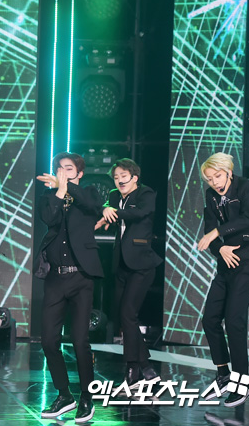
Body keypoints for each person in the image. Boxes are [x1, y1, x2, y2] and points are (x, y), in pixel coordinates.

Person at [34, 152, 102, 423]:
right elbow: (49, 219)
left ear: (79, 173)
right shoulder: (48, 196)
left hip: (81, 277)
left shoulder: (89, 192)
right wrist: (59, 191)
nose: (63, 172)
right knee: (49, 340)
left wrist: (67, 187)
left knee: (79, 339)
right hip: (55, 278)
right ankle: (64, 395)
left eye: (69, 169)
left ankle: (87, 396)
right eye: (59, 169)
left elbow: (91, 205)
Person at [197, 152, 249, 407]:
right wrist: (220, 248)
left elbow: (248, 219)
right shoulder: (210, 195)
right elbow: (209, 230)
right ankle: (224, 375)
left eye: (217, 176)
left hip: (246, 261)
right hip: (225, 263)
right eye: (209, 179)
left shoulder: (246, 188)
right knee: (210, 319)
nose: (214, 182)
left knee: (234, 321)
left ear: (228, 172)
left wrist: (217, 233)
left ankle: (243, 382)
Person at [95, 158, 162, 390]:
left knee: (128, 313)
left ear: (134, 177)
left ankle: (138, 368)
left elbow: (140, 213)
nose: (119, 181)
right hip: (121, 263)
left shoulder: (146, 194)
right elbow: (104, 207)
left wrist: (113, 212)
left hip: (142, 263)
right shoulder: (114, 196)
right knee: (124, 317)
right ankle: (139, 368)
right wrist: (104, 209)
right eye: (116, 177)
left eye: (123, 176)